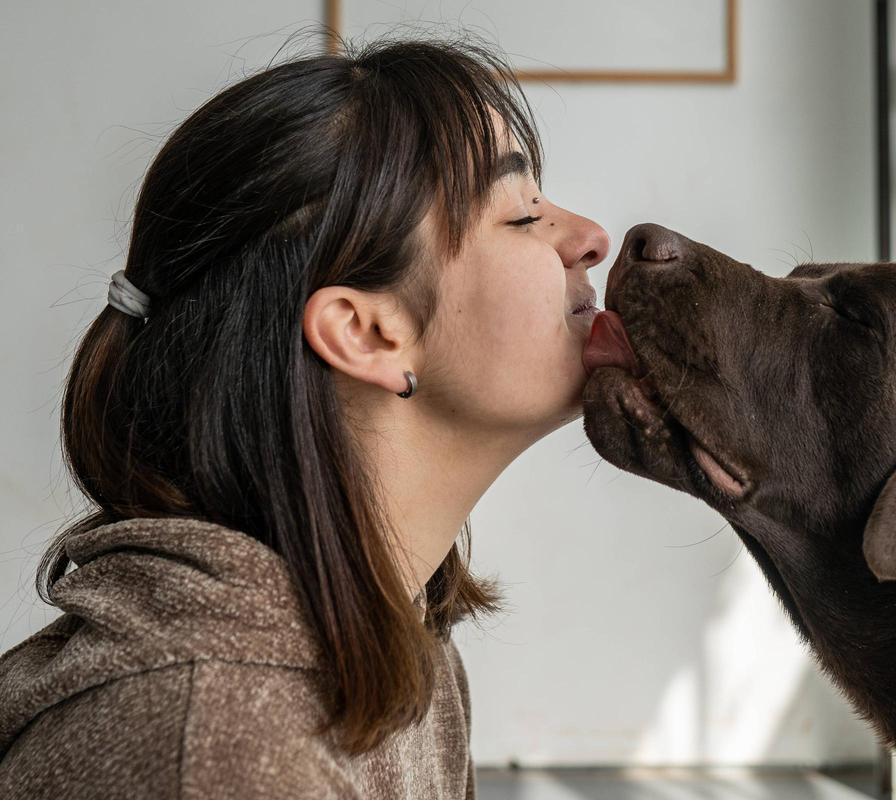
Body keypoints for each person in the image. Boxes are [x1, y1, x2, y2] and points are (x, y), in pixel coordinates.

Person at [0, 32, 609, 799]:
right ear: (364, 332)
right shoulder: (217, 748)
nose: (590, 239)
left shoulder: (389, 629)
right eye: (523, 214)